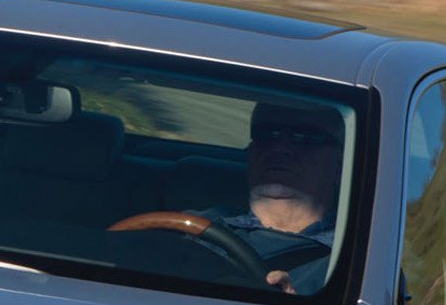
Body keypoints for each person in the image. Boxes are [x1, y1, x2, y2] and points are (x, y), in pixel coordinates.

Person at [111, 99, 343, 291]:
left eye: (304, 137)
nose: (279, 148)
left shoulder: (355, 262)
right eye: (266, 134)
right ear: (251, 152)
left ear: (340, 162)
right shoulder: (185, 228)